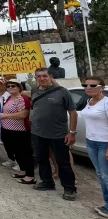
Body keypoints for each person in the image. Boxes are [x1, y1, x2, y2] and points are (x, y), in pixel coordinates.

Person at [30, 67, 77, 200]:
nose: (42, 78)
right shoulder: (34, 91)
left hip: (58, 134)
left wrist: (72, 132)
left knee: (63, 162)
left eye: (44, 76)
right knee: (41, 159)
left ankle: (69, 188)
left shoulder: (63, 92)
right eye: (38, 76)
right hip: (38, 133)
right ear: (36, 78)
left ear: (50, 77)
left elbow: (72, 113)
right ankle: (47, 182)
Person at [80, 76, 108, 217]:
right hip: (91, 142)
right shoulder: (88, 101)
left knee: (105, 175)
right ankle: (106, 203)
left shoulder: (106, 103)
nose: (88, 88)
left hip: (104, 143)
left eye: (92, 85)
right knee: (100, 174)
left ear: (102, 87)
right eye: (85, 85)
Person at [0, 79, 34, 184]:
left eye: (13, 86)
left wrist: (5, 116)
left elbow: (23, 114)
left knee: (25, 152)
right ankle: (22, 171)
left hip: (20, 130)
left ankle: (30, 175)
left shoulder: (22, 99)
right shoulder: (9, 98)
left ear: (19, 87)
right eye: (8, 86)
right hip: (7, 129)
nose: (10, 88)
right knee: (17, 152)